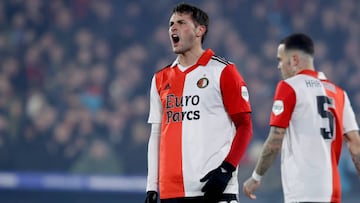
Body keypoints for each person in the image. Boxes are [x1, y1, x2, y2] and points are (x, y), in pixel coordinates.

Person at [145, 3, 253, 203]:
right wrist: (152, 186)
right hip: (171, 191)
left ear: (199, 30)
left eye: (181, 23)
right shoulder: (160, 78)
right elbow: (156, 134)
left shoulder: (223, 71)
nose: (173, 28)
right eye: (171, 24)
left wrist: (226, 169)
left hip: (215, 187)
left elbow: (245, 126)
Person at [242, 33, 360, 203]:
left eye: (280, 60)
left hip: (303, 189)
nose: (279, 66)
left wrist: (256, 177)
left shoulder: (289, 87)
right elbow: (355, 144)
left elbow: (275, 140)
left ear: (294, 60)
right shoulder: (339, 93)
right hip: (332, 190)